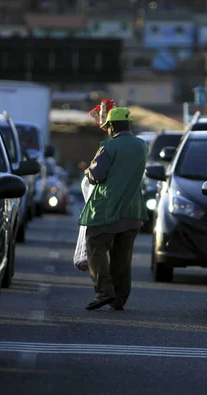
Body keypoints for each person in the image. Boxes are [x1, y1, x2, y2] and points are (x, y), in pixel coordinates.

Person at [79, 107, 149, 311]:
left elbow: (97, 175)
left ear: (111, 127)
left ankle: (103, 292)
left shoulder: (108, 146)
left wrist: (89, 169)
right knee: (122, 256)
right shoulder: (142, 145)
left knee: (95, 245)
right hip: (133, 210)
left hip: (107, 209)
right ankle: (119, 299)